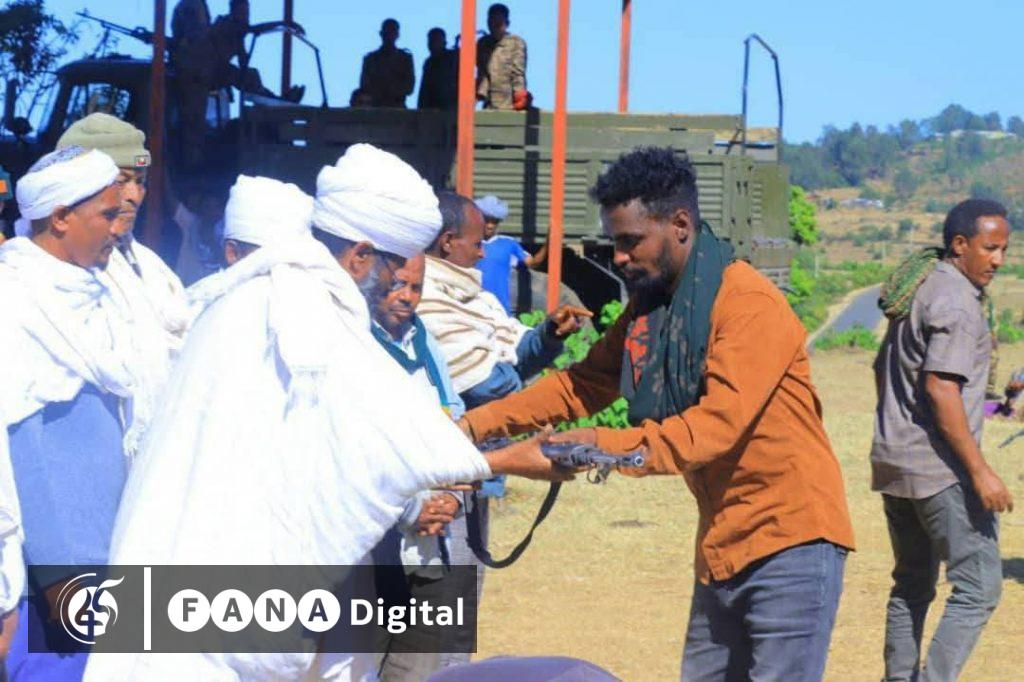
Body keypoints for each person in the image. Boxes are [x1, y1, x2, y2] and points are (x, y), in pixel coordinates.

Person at [84, 150, 569, 680]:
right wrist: (510, 460)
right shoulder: (304, 312)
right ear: (360, 256)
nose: (394, 287)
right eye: (393, 270)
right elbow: (383, 442)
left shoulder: (270, 297)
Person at [458, 147, 856, 681]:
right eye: (614, 242)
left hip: (791, 544)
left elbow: (711, 429)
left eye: (631, 241)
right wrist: (469, 426)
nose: (619, 257)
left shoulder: (748, 304)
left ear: (681, 225)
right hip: (721, 542)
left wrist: (594, 446)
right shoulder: (653, 308)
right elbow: (583, 384)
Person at [0, 147, 142, 681]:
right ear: (60, 217)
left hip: (107, 560)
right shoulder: (15, 305)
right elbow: (20, 449)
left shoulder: (107, 295)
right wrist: (57, 575)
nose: (117, 229)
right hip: (51, 586)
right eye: (107, 214)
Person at [871, 199, 1012, 682]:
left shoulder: (921, 287)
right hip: (940, 471)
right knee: (979, 587)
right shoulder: (956, 302)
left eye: (1004, 249)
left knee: (911, 583)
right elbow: (940, 388)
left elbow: (882, 369)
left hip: (894, 461)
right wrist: (980, 471)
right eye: (989, 248)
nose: (998, 260)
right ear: (960, 244)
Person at [56, 114, 190, 452]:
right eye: (121, 181)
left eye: (140, 182)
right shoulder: (47, 267)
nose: (133, 195)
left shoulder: (151, 266)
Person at [368, 253, 466, 681]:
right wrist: (410, 510)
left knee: (418, 670)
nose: (407, 297)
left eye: (416, 288)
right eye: (397, 285)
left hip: (429, 547)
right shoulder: (352, 343)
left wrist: (452, 497)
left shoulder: (424, 342)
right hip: (373, 550)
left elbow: (454, 420)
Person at [473, 194, 540, 313]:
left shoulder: (508, 243)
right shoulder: (469, 242)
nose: (490, 225)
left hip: (501, 309)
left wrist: (549, 243)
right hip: (473, 306)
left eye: (494, 221)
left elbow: (533, 263)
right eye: (486, 220)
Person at [476, 4, 528, 110]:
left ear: (507, 23)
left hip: (509, 104)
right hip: (488, 104)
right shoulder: (483, 43)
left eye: (498, 24)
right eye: (491, 23)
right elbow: (482, 73)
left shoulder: (516, 43)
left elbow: (518, 73)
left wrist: (520, 96)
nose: (494, 28)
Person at [360, 18, 415, 108]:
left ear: (397, 35)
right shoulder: (370, 59)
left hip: (398, 107)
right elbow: (364, 85)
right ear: (381, 34)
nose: (389, 35)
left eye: (392, 32)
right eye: (387, 32)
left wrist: (392, 89)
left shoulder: (405, 59)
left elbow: (409, 87)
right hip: (376, 107)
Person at [418, 28, 458, 110]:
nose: (432, 44)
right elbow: (424, 89)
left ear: (444, 43)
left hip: (451, 108)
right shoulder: (429, 62)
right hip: (431, 109)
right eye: (430, 41)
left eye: (436, 41)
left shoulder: (454, 58)